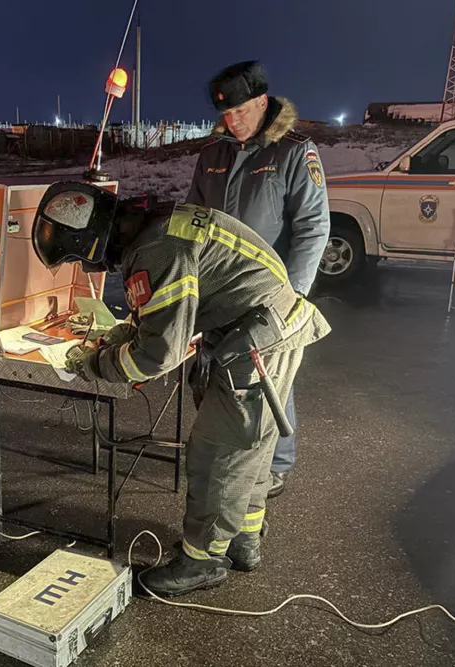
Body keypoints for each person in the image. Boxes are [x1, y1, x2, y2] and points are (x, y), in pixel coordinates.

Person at [31, 181, 331, 597]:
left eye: (82, 259)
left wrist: (95, 364)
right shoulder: (156, 225)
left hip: (257, 341)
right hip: (263, 326)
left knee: (219, 453)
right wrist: (126, 332)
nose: (88, 269)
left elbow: (155, 357)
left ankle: (201, 562)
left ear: (93, 242)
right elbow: (175, 308)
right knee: (251, 449)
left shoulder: (155, 250)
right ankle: (243, 541)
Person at [186, 60, 330, 499]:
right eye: (226, 114)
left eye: (242, 111)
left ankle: (278, 464)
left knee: (269, 378)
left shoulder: (291, 151)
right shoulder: (212, 154)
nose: (233, 121)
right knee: (220, 372)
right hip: (218, 289)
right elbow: (191, 218)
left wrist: (295, 296)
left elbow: (312, 227)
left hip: (271, 293)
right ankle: (227, 452)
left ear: (263, 102)